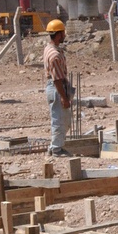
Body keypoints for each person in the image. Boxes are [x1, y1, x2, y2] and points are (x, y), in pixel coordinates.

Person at [43, 19, 72, 157]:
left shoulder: (50, 48)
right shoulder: (54, 55)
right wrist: (63, 97)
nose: (64, 35)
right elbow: (57, 80)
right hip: (56, 88)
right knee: (59, 119)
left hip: (56, 87)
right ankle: (56, 149)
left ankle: (55, 146)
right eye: (63, 32)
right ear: (59, 34)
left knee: (64, 119)